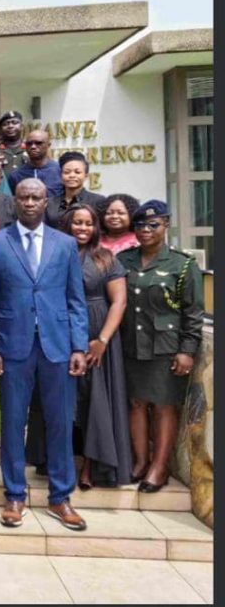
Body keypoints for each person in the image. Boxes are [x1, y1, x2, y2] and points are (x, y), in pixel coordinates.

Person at [0, 179, 89, 531]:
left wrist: (79, 346)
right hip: (13, 348)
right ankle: (14, 494)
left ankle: (60, 497)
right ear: (15, 202)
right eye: (24, 197)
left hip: (57, 346)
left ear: (46, 202)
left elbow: (76, 300)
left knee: (59, 422)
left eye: (36, 197)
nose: (29, 203)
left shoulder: (66, 244)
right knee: (13, 422)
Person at [118, 200, 203, 493]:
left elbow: (193, 312)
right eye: (140, 225)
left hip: (165, 346)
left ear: (166, 225)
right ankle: (141, 462)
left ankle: (160, 466)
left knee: (164, 406)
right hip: (130, 344)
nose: (145, 231)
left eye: (153, 225)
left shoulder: (182, 264)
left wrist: (187, 350)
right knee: (136, 403)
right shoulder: (124, 260)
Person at [58, 204, 131, 489]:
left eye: (88, 223)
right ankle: (60, 460)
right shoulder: (56, 254)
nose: (83, 228)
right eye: (77, 222)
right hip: (61, 334)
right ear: (68, 224)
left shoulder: (105, 258)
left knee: (94, 401)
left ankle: (91, 465)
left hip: (97, 335)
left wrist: (102, 340)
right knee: (66, 400)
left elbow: (119, 301)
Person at [46, 151, 106, 226]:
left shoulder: (98, 201)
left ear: (86, 176)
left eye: (77, 172)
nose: (72, 175)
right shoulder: (50, 203)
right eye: (67, 172)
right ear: (61, 175)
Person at [7, 129, 63, 199]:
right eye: (29, 144)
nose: (33, 147)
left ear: (48, 145)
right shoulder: (16, 175)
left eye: (38, 143)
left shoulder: (60, 171)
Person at [0, 110, 29, 176]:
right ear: (0, 130)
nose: (10, 126)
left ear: (22, 126)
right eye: (5, 124)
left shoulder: (31, 148)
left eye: (14, 123)